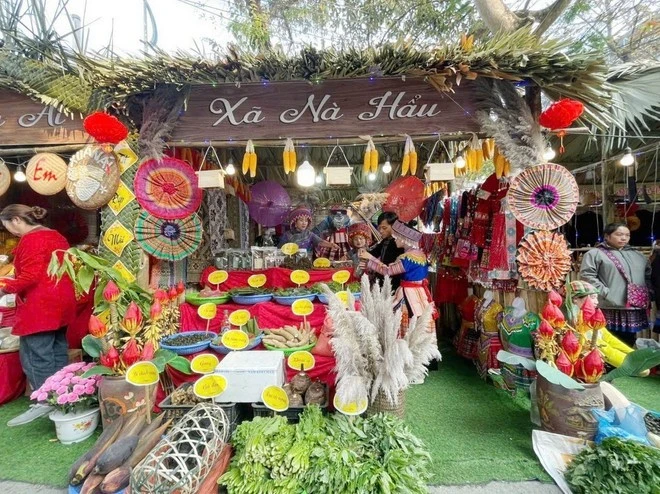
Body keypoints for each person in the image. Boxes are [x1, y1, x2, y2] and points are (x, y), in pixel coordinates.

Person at [0, 205, 77, 426]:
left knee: (36, 355)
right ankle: (66, 399)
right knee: (57, 352)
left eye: (8, 226)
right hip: (61, 302)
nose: (12, 233)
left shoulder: (31, 240)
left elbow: (30, 276)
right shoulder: (57, 236)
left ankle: (46, 402)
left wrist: (5, 288)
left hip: (40, 305)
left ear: (16, 220)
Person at [579, 222, 651, 346]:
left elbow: (648, 276)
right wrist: (606, 292)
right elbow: (587, 276)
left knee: (629, 341)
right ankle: (610, 366)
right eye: (619, 234)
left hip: (633, 306)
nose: (624, 238)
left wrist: (648, 292)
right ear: (607, 236)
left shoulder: (638, 255)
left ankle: (627, 364)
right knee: (609, 340)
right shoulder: (595, 254)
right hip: (609, 306)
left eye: (627, 235)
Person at [567, 280, 639, 370]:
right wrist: (635, 365)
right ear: (575, 299)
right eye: (593, 297)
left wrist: (634, 354)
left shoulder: (590, 317)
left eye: (596, 298)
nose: (596, 302)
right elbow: (604, 348)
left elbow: (609, 339)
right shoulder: (575, 321)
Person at [367, 212, 404, 291]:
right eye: (379, 228)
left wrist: (369, 257)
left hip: (394, 283)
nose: (380, 231)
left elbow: (393, 268)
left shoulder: (399, 245)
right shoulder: (385, 241)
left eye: (384, 228)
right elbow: (374, 253)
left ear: (394, 226)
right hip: (383, 279)